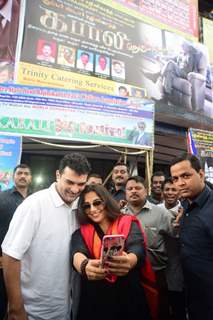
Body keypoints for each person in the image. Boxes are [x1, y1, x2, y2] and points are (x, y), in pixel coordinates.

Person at [1, 153, 91, 320]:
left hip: (66, 309)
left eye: (81, 184)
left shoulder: (81, 206)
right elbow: (10, 256)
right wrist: (15, 308)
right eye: (69, 182)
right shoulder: (34, 205)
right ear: (58, 175)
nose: (74, 189)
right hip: (33, 312)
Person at [70, 184, 152, 320]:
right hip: (95, 301)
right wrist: (84, 266)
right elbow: (77, 252)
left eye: (97, 203)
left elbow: (138, 248)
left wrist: (129, 261)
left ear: (106, 201)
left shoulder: (127, 222)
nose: (93, 209)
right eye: (86, 206)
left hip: (128, 298)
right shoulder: (82, 232)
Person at [122, 176, 173, 320]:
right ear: (125, 192)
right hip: (131, 273)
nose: (133, 191)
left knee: (160, 309)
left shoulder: (160, 213)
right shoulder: (119, 214)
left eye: (138, 188)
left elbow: (175, 234)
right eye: (130, 189)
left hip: (157, 273)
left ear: (146, 191)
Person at [170, 153, 213, 320]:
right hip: (192, 295)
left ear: (201, 174)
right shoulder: (186, 205)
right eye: (175, 178)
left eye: (186, 176)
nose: (180, 183)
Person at [0, 164, 32, 319]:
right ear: (13, 177)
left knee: (24, 301)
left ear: (30, 178)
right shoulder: (2, 198)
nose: (23, 176)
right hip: (5, 260)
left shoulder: (35, 199)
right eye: (19, 173)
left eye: (26, 173)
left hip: (30, 263)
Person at [158, 178, 187, 320]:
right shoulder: (155, 210)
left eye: (173, 189)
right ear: (162, 192)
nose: (170, 192)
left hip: (178, 265)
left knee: (178, 305)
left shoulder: (186, 210)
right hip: (158, 265)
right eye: (167, 189)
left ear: (179, 192)